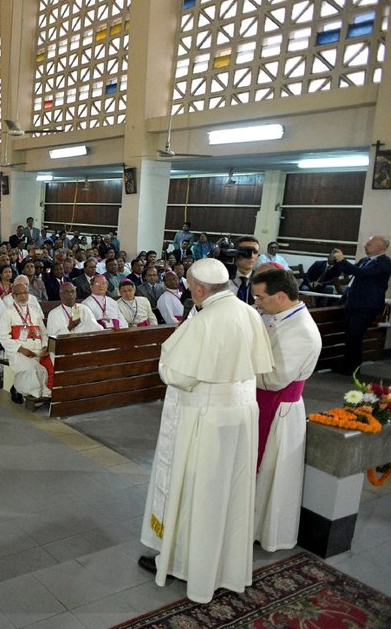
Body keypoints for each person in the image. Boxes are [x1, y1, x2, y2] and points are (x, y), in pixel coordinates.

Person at [139, 258, 273, 604]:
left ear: (199, 289)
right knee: (231, 490)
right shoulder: (249, 313)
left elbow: (176, 373)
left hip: (207, 417)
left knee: (199, 492)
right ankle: (225, 566)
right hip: (242, 413)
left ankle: (189, 566)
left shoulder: (205, 320)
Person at [250, 268, 322, 551]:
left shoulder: (302, 330)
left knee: (270, 474)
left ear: (280, 296)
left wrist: (236, 366)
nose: (257, 303)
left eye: (260, 297)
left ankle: (262, 530)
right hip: (265, 404)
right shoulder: (278, 316)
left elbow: (274, 377)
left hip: (279, 410)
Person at [331, 235, 391, 374]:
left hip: (367, 305)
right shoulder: (365, 260)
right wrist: (338, 262)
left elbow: (361, 273)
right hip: (354, 302)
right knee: (349, 335)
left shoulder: (384, 262)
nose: (365, 245)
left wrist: (343, 260)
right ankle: (348, 366)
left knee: (355, 334)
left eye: (369, 244)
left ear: (380, 247)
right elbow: (351, 271)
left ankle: (353, 368)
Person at [0, 281, 53, 404]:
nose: (23, 296)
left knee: (44, 369)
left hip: (37, 350)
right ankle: (24, 391)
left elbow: (44, 333)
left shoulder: (34, 312)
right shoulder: (8, 313)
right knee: (31, 371)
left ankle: (37, 392)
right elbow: (3, 337)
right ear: (13, 296)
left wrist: (45, 346)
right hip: (19, 351)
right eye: (19, 294)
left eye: (25, 293)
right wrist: (22, 349)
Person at [228, 236, 261, 304]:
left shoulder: (261, 281)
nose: (251, 256)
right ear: (235, 252)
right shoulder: (223, 278)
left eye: (255, 252)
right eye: (246, 251)